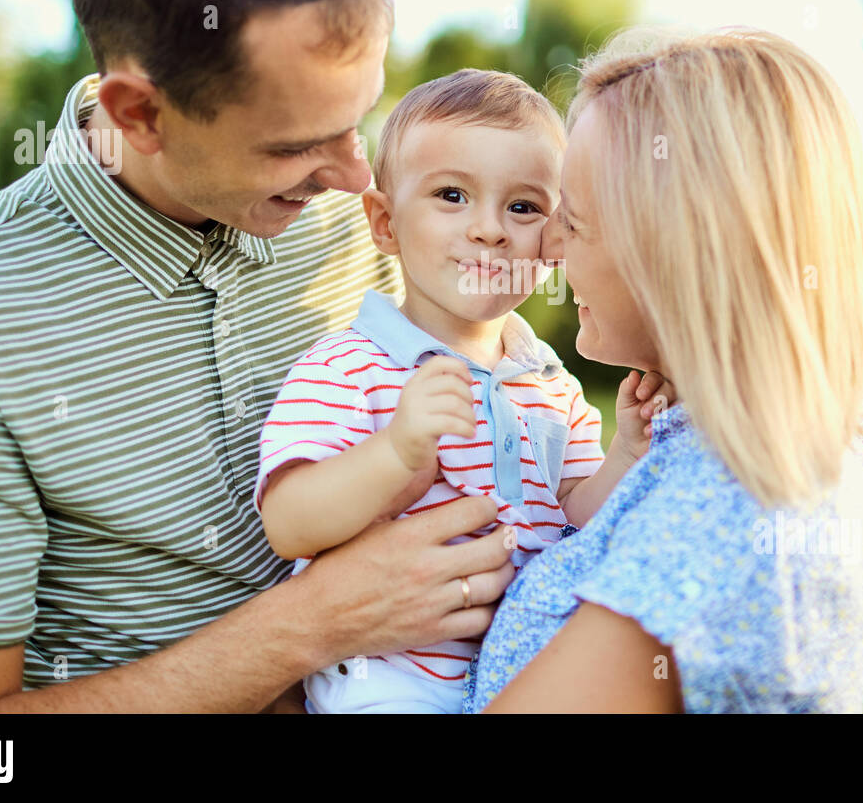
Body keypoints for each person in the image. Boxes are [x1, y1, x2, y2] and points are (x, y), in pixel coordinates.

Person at [0, 0, 513, 713]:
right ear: (141, 113)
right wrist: (308, 626)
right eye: (293, 147)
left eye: (358, 121)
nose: (356, 180)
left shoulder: (348, 221)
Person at [463, 27, 863, 713]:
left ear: (679, 252)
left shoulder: (722, 513)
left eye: (573, 222)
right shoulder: (722, 455)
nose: (546, 246)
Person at [254, 69, 673, 713]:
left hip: (524, 663)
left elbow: (576, 519)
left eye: (524, 206)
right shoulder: (350, 366)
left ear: (555, 236)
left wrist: (625, 456)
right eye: (452, 195)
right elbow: (289, 521)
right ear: (386, 225)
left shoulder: (547, 380)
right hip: (396, 678)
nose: (489, 229)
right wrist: (396, 452)